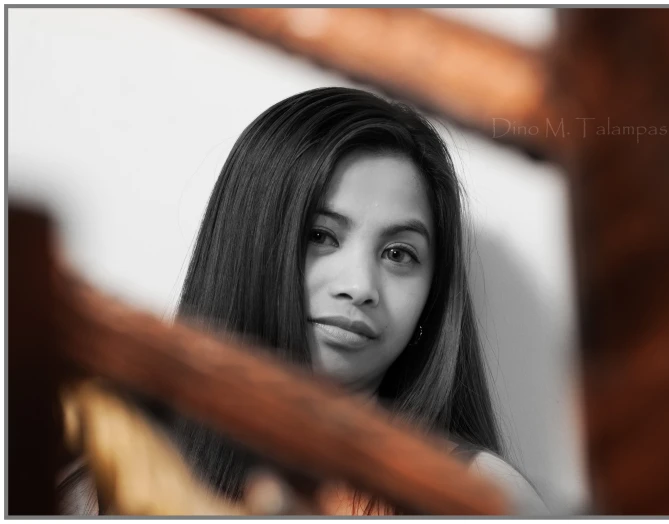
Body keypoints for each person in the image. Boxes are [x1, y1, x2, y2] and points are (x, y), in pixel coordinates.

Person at [58, 86, 548, 516]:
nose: (359, 286)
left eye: (399, 254)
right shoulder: (107, 478)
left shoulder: (481, 499)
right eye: (321, 235)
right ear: (247, 244)